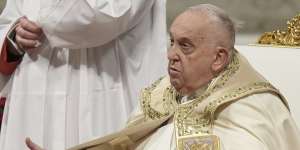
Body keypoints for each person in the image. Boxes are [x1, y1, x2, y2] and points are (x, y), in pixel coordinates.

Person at [75, 4, 300, 150]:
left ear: (218, 58)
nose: (171, 55)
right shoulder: (160, 94)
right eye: (172, 42)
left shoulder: (255, 107)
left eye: (185, 46)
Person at [0, 0, 167, 149]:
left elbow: (106, 13)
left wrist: (42, 20)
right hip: (33, 89)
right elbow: (10, 18)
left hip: (103, 89)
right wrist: (16, 35)